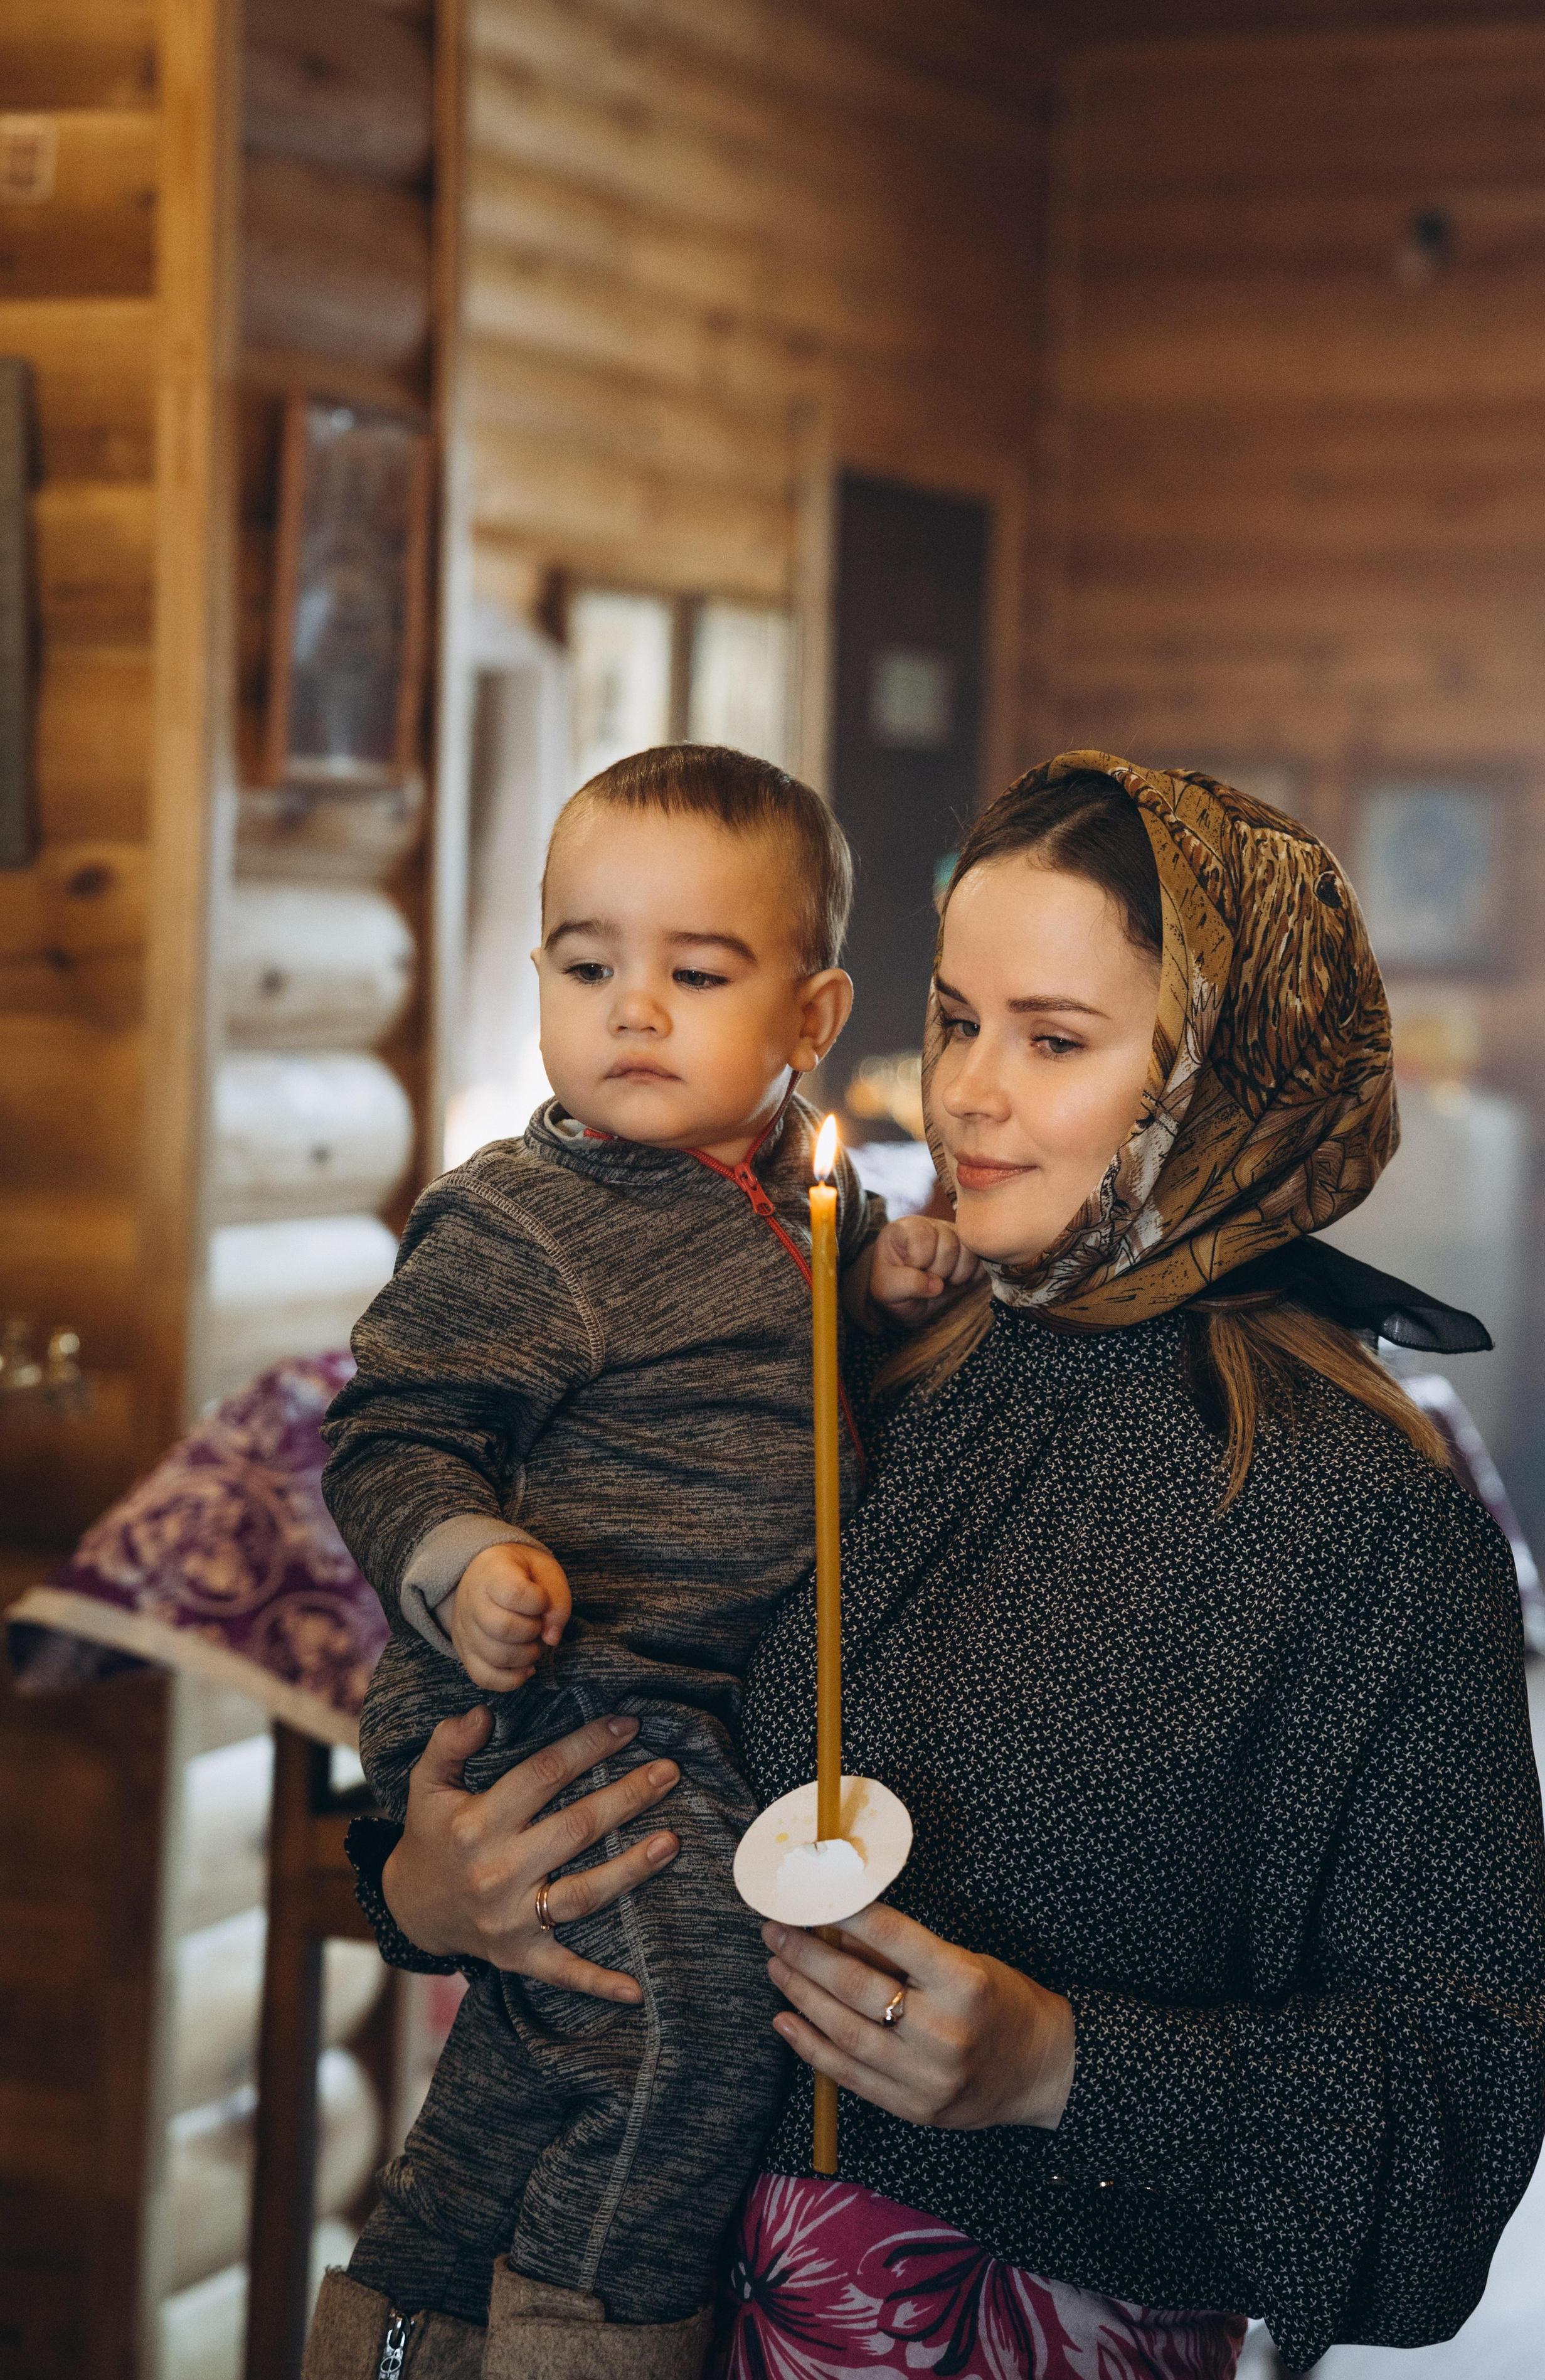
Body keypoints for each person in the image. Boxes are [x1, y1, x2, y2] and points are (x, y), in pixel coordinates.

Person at [348, 752, 1545, 2380]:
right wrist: (423, 1886)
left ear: (1228, 1069)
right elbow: (552, 1692)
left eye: (1053, 1038)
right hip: (589, 2300)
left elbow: (1451, 2139)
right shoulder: (852, 1355)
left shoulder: (1357, 1519)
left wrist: (1060, 2064)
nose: (966, 1092)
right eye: (955, 1018)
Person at [310, 745, 971, 2380]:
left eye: (696, 971)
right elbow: (387, 1433)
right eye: (588, 963)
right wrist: (465, 1560)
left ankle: (400, 2321)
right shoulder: (524, 1217)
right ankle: (596, 2333)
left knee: (541, 2049)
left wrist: (892, 1289)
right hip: (558, 1700)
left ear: (809, 1020)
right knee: (692, 2025)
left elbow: (833, 1277)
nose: (635, 1010)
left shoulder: (796, 1174)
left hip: (689, 1710)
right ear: (536, 972)